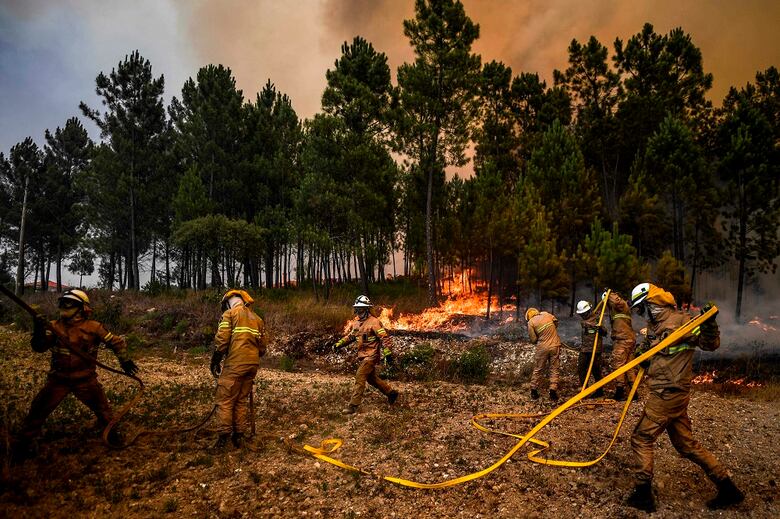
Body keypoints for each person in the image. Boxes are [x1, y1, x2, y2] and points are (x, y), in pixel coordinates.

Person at [626, 283, 744, 512]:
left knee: (641, 438)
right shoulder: (654, 326)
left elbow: (711, 345)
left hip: (667, 394)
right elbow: (654, 354)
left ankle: (642, 496)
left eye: (642, 309)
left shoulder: (683, 322)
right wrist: (643, 356)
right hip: (670, 393)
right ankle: (728, 488)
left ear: (652, 304)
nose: (641, 315)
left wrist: (709, 324)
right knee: (685, 445)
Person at [14, 289, 138, 457]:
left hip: (85, 381)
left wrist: (125, 360)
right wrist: (38, 329)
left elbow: (115, 342)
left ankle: (113, 437)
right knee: (37, 411)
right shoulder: (54, 326)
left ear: (82, 308)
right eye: (63, 302)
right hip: (58, 380)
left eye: (70, 303)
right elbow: (39, 347)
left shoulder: (94, 327)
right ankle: (22, 447)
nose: (65, 306)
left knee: (103, 411)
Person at [210, 289, 268, 450]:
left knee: (225, 399)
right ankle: (239, 436)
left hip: (235, 364)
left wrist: (216, 359)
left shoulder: (230, 315)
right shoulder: (257, 319)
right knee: (240, 400)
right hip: (252, 365)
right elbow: (262, 348)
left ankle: (224, 440)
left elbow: (222, 340)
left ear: (228, 303)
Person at [333, 295, 398, 414]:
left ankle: (353, 405)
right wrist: (339, 344)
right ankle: (391, 393)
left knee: (360, 376)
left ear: (367, 309)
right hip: (363, 356)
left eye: (361, 308)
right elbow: (352, 336)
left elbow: (384, 337)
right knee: (371, 379)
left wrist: (387, 353)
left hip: (371, 356)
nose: (358, 311)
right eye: (357, 308)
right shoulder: (356, 322)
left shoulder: (375, 322)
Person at [602, 290, 637, 401]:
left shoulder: (621, 305)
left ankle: (619, 392)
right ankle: (634, 393)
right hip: (629, 340)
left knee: (618, 365)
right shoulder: (618, 310)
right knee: (629, 367)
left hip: (622, 340)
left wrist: (609, 294)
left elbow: (616, 301)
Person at [525, 307, 561, 401]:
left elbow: (533, 339)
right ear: (537, 312)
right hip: (555, 345)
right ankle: (553, 392)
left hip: (542, 348)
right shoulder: (546, 314)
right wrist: (551, 332)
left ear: (528, 317)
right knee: (554, 368)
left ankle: (534, 391)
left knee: (538, 368)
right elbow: (556, 323)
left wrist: (540, 335)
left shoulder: (531, 323)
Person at [575, 300, 606, 398]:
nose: (582, 316)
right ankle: (585, 390)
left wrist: (600, 329)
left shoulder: (598, 319)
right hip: (584, 349)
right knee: (581, 369)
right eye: (581, 314)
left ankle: (599, 391)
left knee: (596, 370)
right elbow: (585, 325)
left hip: (595, 349)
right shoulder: (584, 321)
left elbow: (605, 333)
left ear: (588, 311)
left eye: (584, 314)